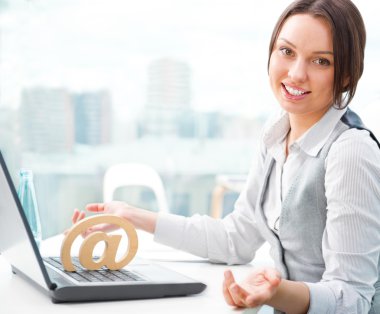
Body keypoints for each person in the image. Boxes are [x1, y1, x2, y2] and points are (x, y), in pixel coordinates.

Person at [71, 0, 380, 313]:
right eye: (287, 52)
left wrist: (275, 291)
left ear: (345, 75)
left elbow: (353, 298)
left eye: (321, 61)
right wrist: (134, 216)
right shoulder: (276, 132)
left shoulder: (350, 151)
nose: (296, 73)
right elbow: (236, 238)